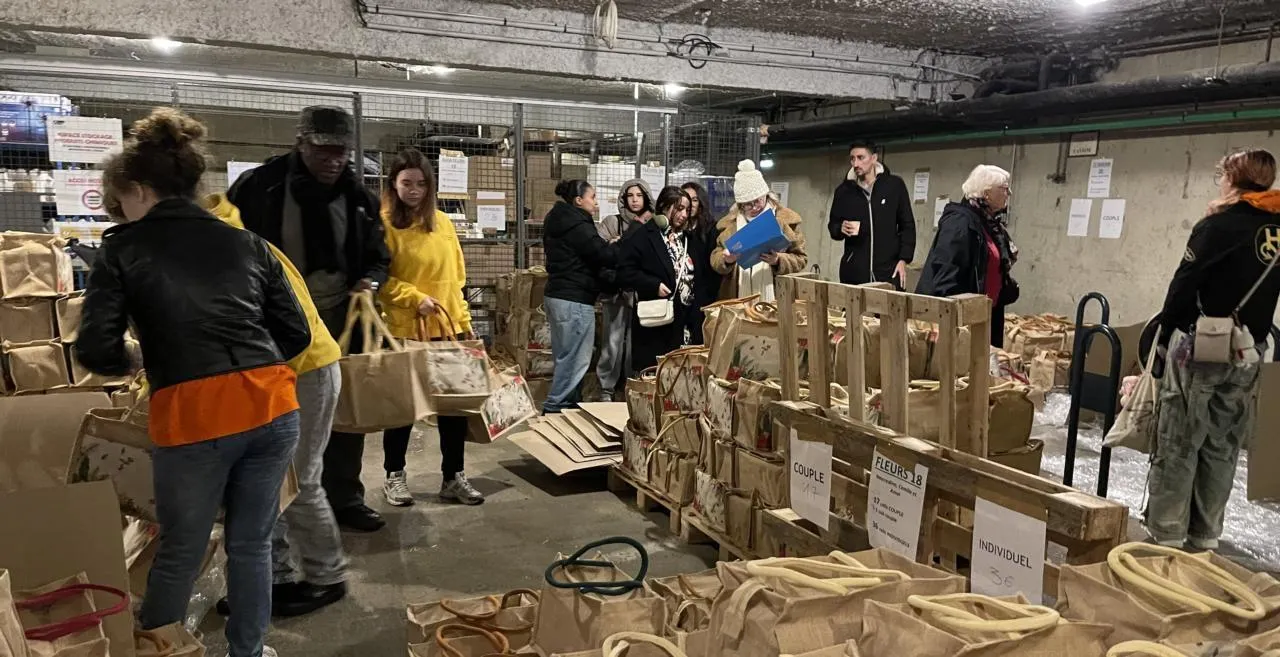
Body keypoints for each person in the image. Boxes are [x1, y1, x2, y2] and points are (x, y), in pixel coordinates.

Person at [78, 108, 311, 657]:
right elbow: (296, 333)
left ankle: (162, 649)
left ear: (138, 189)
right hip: (273, 406)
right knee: (251, 544)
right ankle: (247, 652)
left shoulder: (122, 248)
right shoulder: (246, 243)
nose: (119, 210)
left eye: (121, 199)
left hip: (195, 416)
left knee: (181, 547)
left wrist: (144, 356)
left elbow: (96, 350)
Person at [229, 106, 392, 533]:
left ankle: (345, 499)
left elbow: (379, 258)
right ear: (300, 143)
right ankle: (278, 507)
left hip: (340, 318)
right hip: (273, 323)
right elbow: (228, 247)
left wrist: (369, 282)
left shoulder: (358, 198)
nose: (333, 160)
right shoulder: (259, 187)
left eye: (341, 151)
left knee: (345, 412)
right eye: (323, 150)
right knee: (276, 418)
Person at [204, 193, 350, 619]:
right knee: (266, 480)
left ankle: (327, 577)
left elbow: (287, 330)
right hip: (270, 374)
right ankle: (275, 577)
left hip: (306, 370)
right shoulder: (209, 247)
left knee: (300, 480)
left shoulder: (231, 250)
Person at [1146, 148, 1280, 550]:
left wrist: (1163, 335)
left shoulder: (1219, 225)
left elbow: (1184, 282)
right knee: (1222, 443)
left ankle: (1167, 533)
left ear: (1233, 179)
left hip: (1202, 344)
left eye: (1223, 175)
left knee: (1180, 436)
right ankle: (1205, 536)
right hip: (1249, 350)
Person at [377, 149, 484, 507]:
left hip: (447, 330)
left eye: (421, 184)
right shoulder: (385, 225)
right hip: (404, 331)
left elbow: (457, 279)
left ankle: (453, 477)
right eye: (406, 183)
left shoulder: (443, 223)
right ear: (394, 184)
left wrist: (464, 323)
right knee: (402, 409)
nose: (414, 190)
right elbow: (381, 280)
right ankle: (394, 475)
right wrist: (413, 298)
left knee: (453, 409)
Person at [914, 165, 1019, 346]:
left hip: (985, 313)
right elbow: (946, 268)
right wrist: (948, 320)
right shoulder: (959, 222)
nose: (1008, 193)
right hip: (961, 316)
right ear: (986, 193)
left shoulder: (988, 223)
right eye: (1003, 188)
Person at [542, 180, 618, 413]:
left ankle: (568, 407)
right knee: (575, 360)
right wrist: (617, 244)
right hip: (574, 298)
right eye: (592, 197)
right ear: (578, 200)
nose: (595, 202)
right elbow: (601, 254)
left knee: (566, 356)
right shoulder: (577, 224)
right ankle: (555, 407)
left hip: (559, 296)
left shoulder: (559, 220)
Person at [618, 186, 694, 371]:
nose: (684, 215)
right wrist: (652, 285)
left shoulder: (686, 238)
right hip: (657, 319)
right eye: (679, 209)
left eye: (687, 210)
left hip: (684, 319)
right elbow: (624, 272)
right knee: (655, 372)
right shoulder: (643, 236)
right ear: (664, 207)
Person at [709, 160, 808, 302]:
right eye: (748, 204)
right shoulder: (729, 225)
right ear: (740, 205)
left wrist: (778, 260)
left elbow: (801, 259)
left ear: (766, 195)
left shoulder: (786, 220)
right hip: (737, 296)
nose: (754, 207)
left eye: (758, 201)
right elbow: (715, 258)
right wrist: (726, 260)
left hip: (776, 296)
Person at [594, 179, 653, 401]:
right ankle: (606, 389)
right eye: (630, 196)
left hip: (642, 294)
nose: (635, 200)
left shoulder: (653, 224)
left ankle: (632, 386)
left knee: (637, 343)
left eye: (639, 195)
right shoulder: (612, 222)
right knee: (612, 342)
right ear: (623, 199)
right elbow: (600, 253)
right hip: (616, 293)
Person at [828, 141, 916, 287]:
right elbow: (833, 226)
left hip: (889, 271)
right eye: (852, 159)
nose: (855, 163)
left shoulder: (894, 186)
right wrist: (840, 228)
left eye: (861, 157)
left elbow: (907, 225)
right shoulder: (843, 192)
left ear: (874, 158)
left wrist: (903, 260)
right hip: (854, 272)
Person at [681, 181, 721, 344]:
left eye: (695, 200)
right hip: (679, 297)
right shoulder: (674, 230)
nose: (690, 204)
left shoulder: (711, 229)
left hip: (703, 296)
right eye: (686, 199)